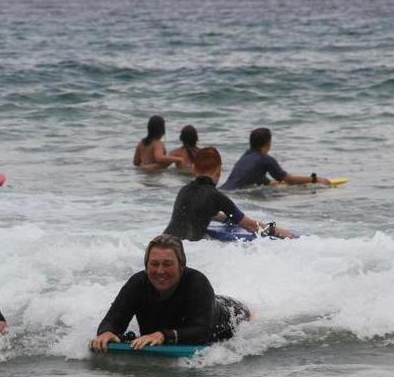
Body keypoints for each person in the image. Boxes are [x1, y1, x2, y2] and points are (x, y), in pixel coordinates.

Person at [90, 234, 249, 351]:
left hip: (230, 313)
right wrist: (107, 332)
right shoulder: (138, 283)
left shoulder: (197, 282)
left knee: (248, 315)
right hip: (194, 313)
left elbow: (202, 332)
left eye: (167, 264)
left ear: (181, 265)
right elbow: (114, 318)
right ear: (146, 266)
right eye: (154, 264)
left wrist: (162, 336)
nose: (160, 271)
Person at [165, 147, 295, 240]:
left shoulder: (184, 191)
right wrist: (280, 231)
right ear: (219, 171)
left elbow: (200, 212)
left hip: (164, 241)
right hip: (186, 248)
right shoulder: (217, 197)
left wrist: (229, 219)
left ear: (194, 170)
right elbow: (251, 226)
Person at [219, 127, 331, 190]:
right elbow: (289, 180)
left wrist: (273, 183)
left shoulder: (246, 156)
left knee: (279, 189)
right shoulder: (265, 159)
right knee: (293, 193)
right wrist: (315, 179)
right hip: (234, 193)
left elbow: (253, 177)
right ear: (268, 144)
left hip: (224, 190)